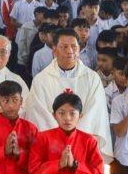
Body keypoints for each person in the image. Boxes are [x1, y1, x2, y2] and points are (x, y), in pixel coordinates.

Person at [26, 28, 112, 161]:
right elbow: (38, 114)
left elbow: (95, 113)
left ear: (79, 49)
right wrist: (59, 138)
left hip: (82, 146)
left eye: (74, 47)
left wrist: (75, 139)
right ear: (54, 50)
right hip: (51, 148)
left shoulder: (92, 78)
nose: (70, 51)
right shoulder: (41, 80)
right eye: (64, 47)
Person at [29, 90, 104, 174]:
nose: (67, 118)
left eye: (72, 113)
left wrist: (75, 165)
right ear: (54, 115)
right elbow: (33, 168)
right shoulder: (43, 138)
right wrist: (58, 164)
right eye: (61, 113)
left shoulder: (88, 141)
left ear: (80, 115)